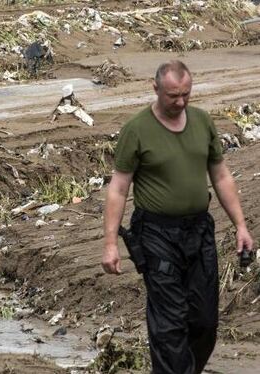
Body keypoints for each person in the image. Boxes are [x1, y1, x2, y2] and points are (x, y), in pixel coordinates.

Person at [101, 60, 254, 374]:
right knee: (169, 325)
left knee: (204, 322)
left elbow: (221, 175)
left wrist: (240, 225)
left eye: (186, 94)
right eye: (173, 95)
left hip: (198, 232)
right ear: (155, 88)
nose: (181, 101)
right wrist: (110, 243)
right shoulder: (137, 130)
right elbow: (118, 188)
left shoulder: (201, 122)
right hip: (156, 235)